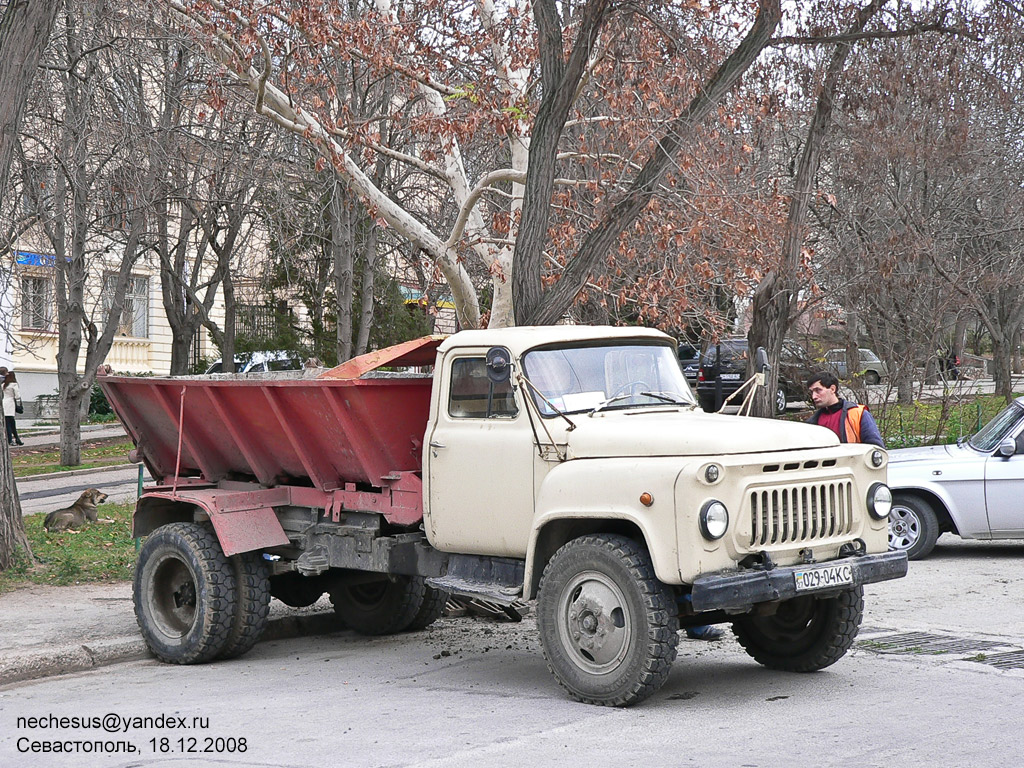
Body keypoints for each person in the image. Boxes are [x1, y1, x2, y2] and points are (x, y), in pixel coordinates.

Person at [806, 371, 884, 447]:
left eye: (818, 390)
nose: (814, 397)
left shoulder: (858, 414)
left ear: (833, 389)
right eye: (812, 392)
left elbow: (876, 450)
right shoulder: (813, 422)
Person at [2, 368, 25, 446]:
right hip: (10, 404)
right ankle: (12, 440)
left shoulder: (3, 385)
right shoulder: (14, 384)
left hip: (4, 403)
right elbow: (17, 396)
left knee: (8, 423)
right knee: (11, 423)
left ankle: (15, 439)